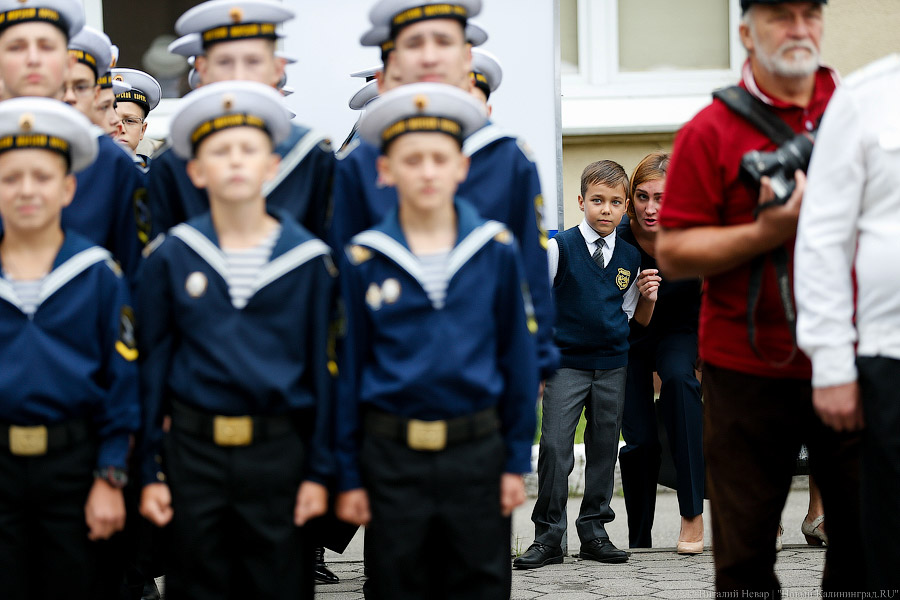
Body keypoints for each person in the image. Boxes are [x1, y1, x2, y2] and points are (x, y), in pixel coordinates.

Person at [655, 0, 862, 594]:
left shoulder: (863, 115)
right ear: (745, 32)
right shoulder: (708, 130)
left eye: (809, 13)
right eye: (779, 15)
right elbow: (673, 253)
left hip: (853, 359)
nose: (798, 28)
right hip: (744, 368)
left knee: (866, 552)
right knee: (744, 558)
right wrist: (766, 233)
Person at [334, 81, 538, 600]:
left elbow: (516, 361)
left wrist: (515, 459)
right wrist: (351, 471)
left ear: (462, 168)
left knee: (479, 582)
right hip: (390, 455)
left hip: (476, 452)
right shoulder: (365, 260)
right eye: (411, 159)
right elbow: (349, 370)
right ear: (384, 170)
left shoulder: (494, 252)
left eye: (439, 158)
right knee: (395, 581)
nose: (426, 171)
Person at [137, 81, 334, 600]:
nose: (235, 162)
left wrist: (319, 471)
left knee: (280, 583)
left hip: (279, 453)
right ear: (195, 171)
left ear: (273, 165)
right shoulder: (172, 255)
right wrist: (150, 471)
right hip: (193, 453)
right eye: (219, 152)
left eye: (249, 149)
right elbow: (152, 366)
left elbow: (323, 372)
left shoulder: (310, 260)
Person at [331, 0, 558, 383]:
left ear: (466, 57)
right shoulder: (360, 162)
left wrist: (533, 366)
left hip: (483, 383)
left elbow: (529, 278)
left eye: (443, 41)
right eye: (414, 42)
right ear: (392, 60)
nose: (430, 56)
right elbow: (340, 284)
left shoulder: (507, 158)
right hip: (384, 385)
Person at [0, 97, 140, 600]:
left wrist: (110, 475)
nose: (26, 191)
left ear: (68, 188)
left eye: (42, 177)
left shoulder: (99, 274)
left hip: (76, 465)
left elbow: (121, 383)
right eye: (10, 178)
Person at [515, 160, 657, 569]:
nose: (605, 210)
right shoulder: (558, 249)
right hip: (566, 365)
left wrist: (649, 295)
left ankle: (594, 530)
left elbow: (630, 315)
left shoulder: (630, 256)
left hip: (613, 365)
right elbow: (538, 306)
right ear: (581, 201)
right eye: (597, 200)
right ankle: (548, 536)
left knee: (603, 447)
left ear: (625, 207)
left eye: (615, 202)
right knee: (557, 447)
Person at [795, 52, 900, 591]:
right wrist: (832, 362)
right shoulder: (867, 99)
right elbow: (822, 240)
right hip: (888, 353)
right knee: (886, 536)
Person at [147, 0, 335, 241]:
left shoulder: (311, 154)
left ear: (278, 69)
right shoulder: (174, 160)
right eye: (224, 62)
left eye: (253, 62)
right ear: (202, 70)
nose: (239, 77)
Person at [0, 0, 145, 282]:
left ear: (67, 63)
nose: (32, 59)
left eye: (46, 46)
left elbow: (135, 275)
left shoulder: (110, 161)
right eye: (16, 47)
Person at [615, 151, 705, 553]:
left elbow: (714, 297)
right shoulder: (614, 237)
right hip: (630, 340)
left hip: (679, 332)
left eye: (663, 198)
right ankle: (639, 538)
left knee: (681, 383)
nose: (651, 209)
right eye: (642, 196)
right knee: (641, 441)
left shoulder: (694, 235)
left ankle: (692, 517)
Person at [111, 68, 162, 172]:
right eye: (112, 120)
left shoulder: (157, 176)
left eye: (130, 121)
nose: (121, 128)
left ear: (143, 130)